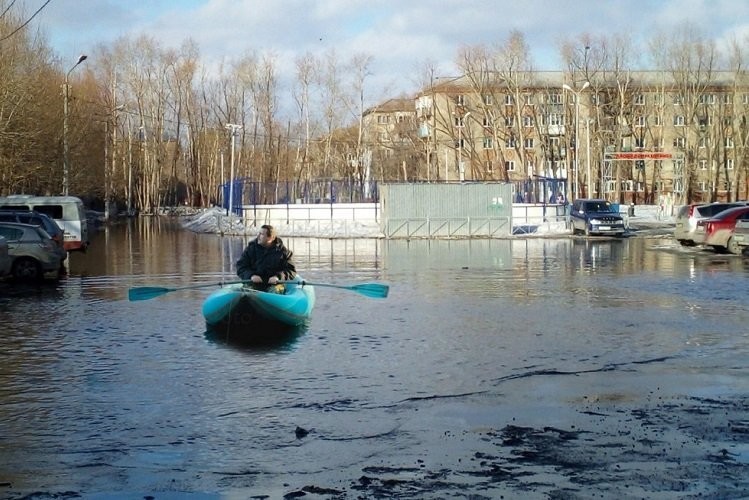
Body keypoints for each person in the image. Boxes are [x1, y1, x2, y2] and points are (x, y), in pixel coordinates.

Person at [236, 224, 296, 293]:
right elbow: (241, 266)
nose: (258, 236)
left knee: (275, 291)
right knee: (247, 290)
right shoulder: (250, 249)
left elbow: (291, 271)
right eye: (258, 233)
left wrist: (278, 277)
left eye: (261, 234)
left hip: (275, 285)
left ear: (271, 238)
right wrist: (251, 275)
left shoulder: (284, 252)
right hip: (254, 283)